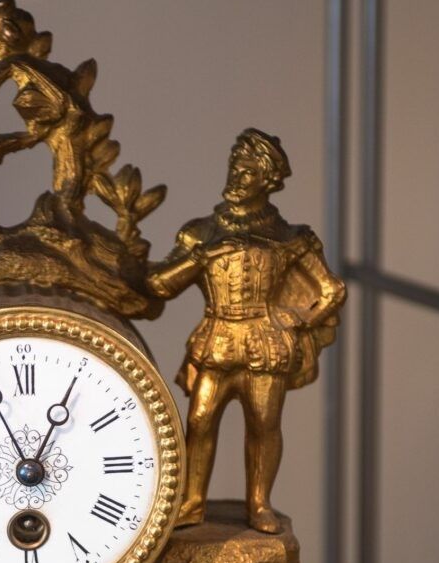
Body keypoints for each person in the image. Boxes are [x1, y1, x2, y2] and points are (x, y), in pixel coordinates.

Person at [148, 128, 346, 533]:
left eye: (249, 172)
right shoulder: (200, 232)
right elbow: (159, 285)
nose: (237, 177)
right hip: (216, 337)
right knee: (200, 421)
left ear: (268, 181)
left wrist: (298, 318)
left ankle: (259, 504)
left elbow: (331, 289)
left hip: (265, 341)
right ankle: (192, 501)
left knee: (264, 423)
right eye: (235, 167)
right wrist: (199, 259)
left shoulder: (289, 238)